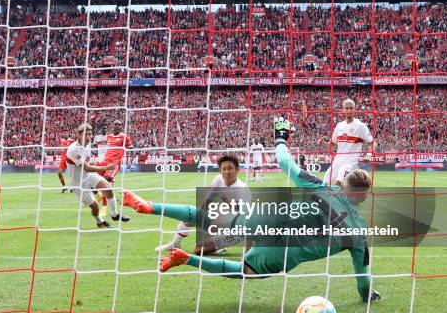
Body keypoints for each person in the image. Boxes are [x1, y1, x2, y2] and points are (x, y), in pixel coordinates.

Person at [123, 119, 381, 302]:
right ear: (364, 197)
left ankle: (149, 206)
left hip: (269, 219)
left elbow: (283, 161)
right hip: (286, 251)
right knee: (242, 271)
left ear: (343, 185)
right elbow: (363, 278)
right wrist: (366, 294)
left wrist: (281, 137)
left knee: (206, 216)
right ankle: (187, 259)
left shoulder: (324, 188)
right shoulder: (359, 234)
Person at [154, 153, 250, 254]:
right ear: (220, 170)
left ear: (237, 170)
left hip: (237, 230)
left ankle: (219, 245)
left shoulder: (242, 190)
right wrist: (196, 215)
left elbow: (247, 220)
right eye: (224, 169)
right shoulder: (218, 179)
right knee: (190, 216)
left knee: (198, 250)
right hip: (223, 221)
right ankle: (175, 244)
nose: (227, 172)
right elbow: (208, 200)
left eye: (230, 168)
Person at [66, 123, 130, 228]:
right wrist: (106, 167)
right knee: (95, 207)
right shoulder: (73, 149)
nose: (88, 137)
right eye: (85, 135)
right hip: (78, 183)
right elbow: (86, 167)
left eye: (90, 134)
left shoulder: (88, 145)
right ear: (79, 135)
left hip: (89, 176)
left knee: (108, 188)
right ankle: (100, 221)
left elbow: (88, 166)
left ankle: (114, 215)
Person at [324, 99, 377, 186]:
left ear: (354, 109)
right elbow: (332, 144)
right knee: (325, 184)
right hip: (337, 162)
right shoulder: (339, 125)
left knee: (339, 182)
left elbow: (373, 143)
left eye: (351, 108)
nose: (349, 110)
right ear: (343, 110)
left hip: (350, 164)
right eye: (347, 108)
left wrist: (369, 155)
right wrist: (322, 143)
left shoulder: (360, 126)